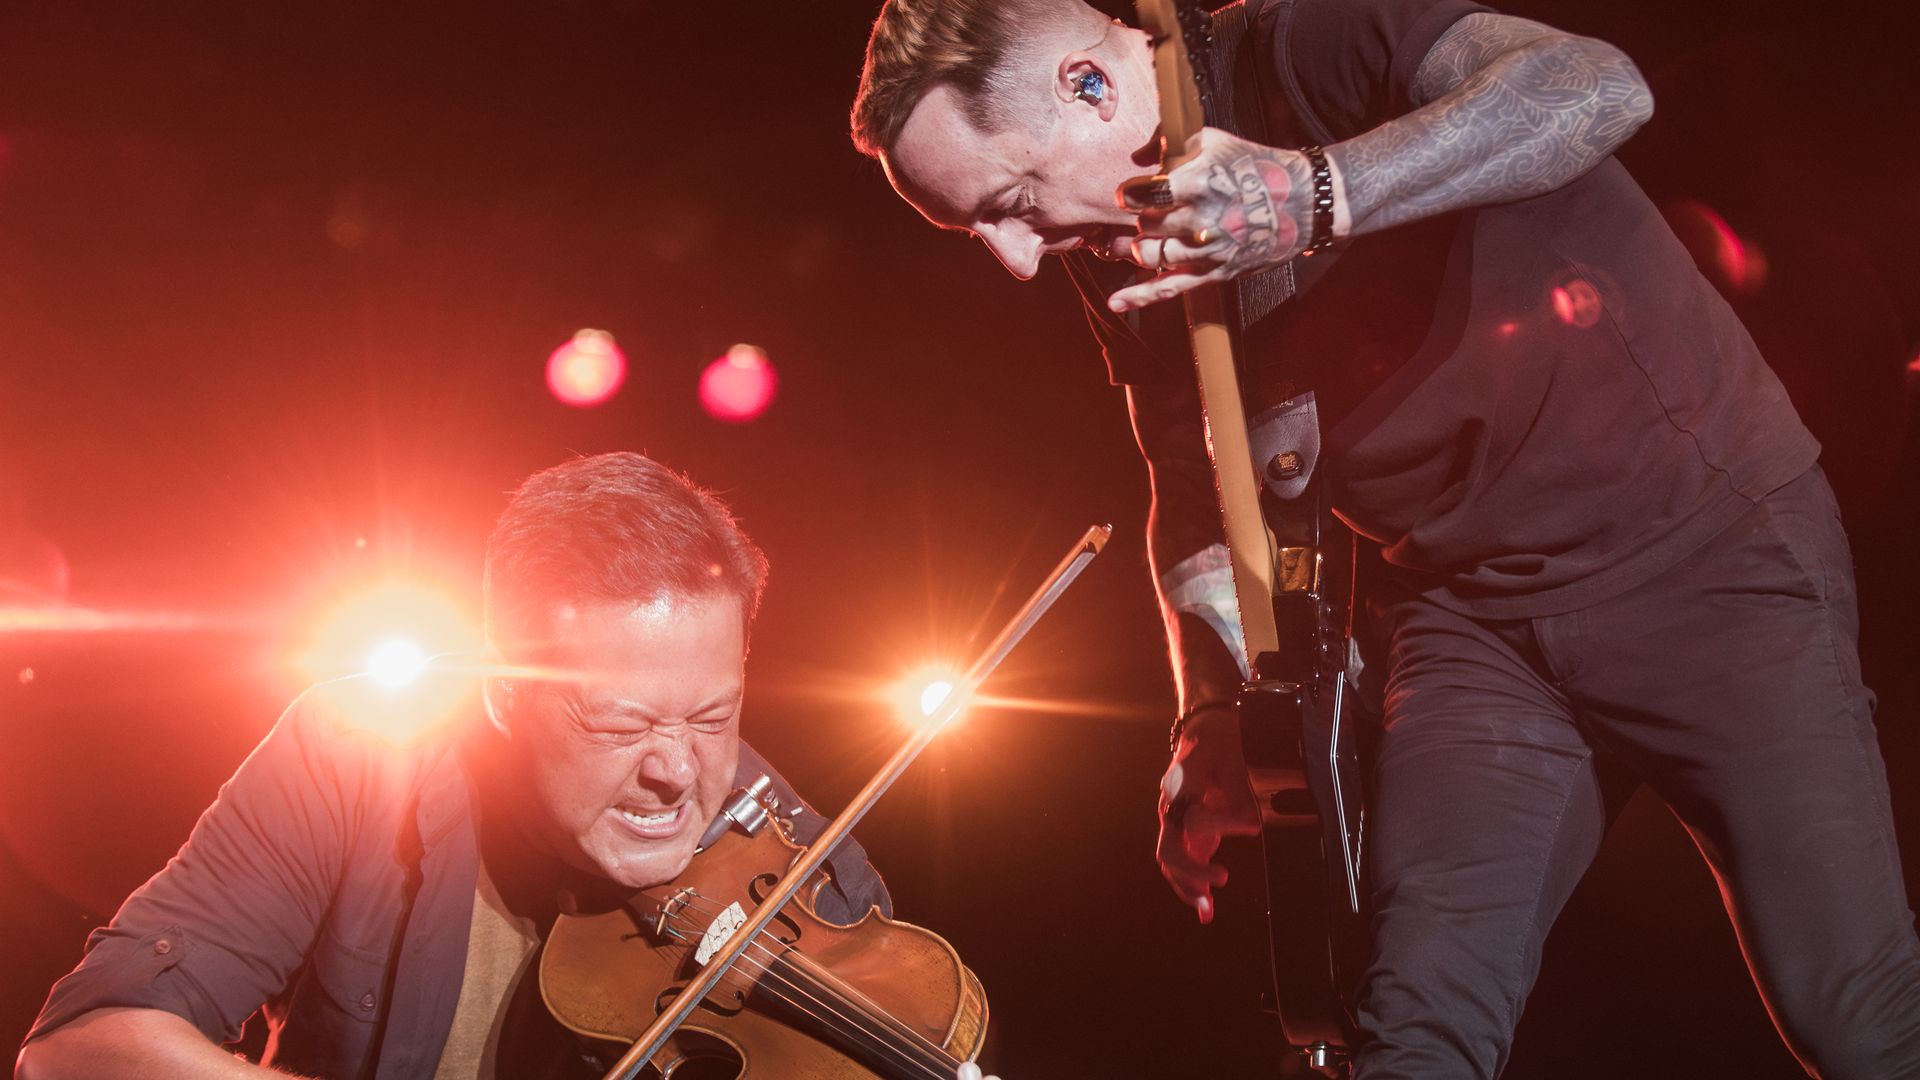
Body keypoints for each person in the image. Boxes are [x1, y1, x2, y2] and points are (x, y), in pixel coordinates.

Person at [852, 0, 1920, 1076]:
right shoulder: (1112, 236)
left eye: (1014, 203)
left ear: (1091, 85)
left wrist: (1316, 193)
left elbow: (1600, 87)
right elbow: (1189, 472)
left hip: (1704, 558)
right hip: (1470, 621)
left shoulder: (1309, 46)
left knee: (1858, 1021)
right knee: (1412, 1038)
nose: (1019, 260)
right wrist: (1213, 707)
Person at [15, 452, 897, 1079]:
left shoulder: (812, 885)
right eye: (621, 724)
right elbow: (77, 1050)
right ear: (503, 693)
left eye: (712, 716)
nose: (677, 773)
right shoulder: (357, 752)